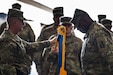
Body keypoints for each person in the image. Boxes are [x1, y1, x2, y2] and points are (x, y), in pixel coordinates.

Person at [0, 8, 56, 75]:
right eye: (21, 21)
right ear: (15, 22)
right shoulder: (6, 40)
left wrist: (49, 42)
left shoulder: (14, 38)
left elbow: (30, 46)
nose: (23, 24)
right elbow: (6, 67)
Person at [71, 8, 113, 75]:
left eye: (78, 26)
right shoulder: (90, 33)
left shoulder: (99, 33)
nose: (79, 29)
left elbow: (109, 57)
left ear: (84, 21)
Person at [0, 3, 35, 74]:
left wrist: (30, 60)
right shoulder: (4, 27)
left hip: (24, 62)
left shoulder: (27, 26)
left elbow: (31, 44)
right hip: (11, 65)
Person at [34, 7, 64, 75]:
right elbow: (37, 48)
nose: (58, 19)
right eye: (57, 17)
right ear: (53, 18)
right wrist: (39, 67)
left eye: (60, 17)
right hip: (47, 67)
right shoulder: (46, 31)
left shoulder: (68, 31)